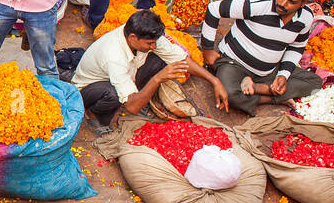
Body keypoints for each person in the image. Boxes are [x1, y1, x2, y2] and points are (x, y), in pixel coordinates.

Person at [72, 9, 228, 132]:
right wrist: (157, 78)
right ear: (133, 37)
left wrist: (215, 81)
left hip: (124, 76)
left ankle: (137, 95)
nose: (154, 46)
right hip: (90, 89)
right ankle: (94, 115)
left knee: (162, 59)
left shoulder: (145, 35)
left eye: (155, 42)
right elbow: (132, 108)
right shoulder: (114, 56)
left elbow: (181, 59)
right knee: (112, 94)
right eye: (150, 43)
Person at [200, 0, 324, 115]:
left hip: (268, 71)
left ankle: (258, 88)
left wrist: (283, 75)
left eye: (291, 1)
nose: (282, 4)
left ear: (302, 3)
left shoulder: (305, 17)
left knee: (315, 82)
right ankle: (272, 97)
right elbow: (214, 9)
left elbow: (297, 46)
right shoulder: (257, 5)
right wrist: (208, 50)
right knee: (229, 94)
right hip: (233, 63)